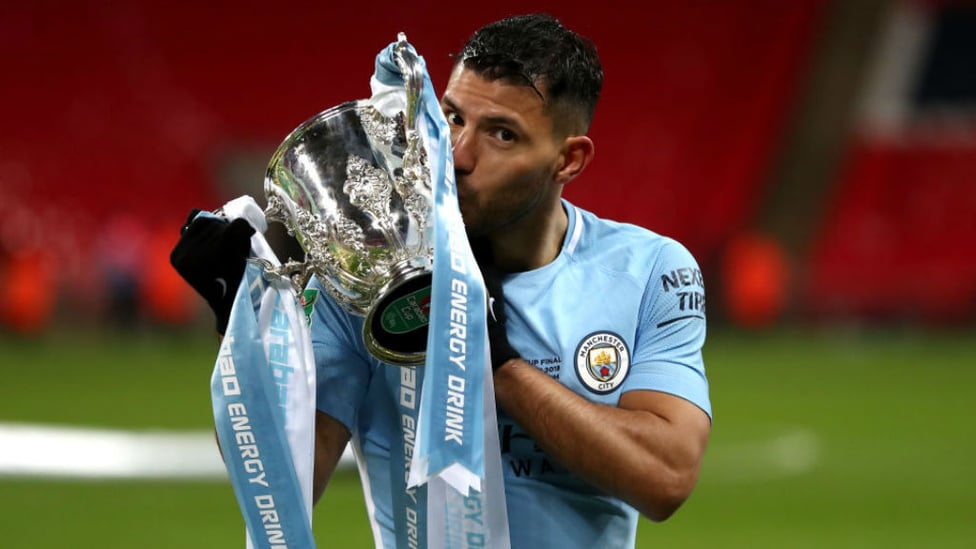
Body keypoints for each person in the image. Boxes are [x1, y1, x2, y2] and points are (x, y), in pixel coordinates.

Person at [171, 13, 711, 548]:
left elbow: (664, 478)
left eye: (502, 134)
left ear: (568, 160)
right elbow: (287, 483)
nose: (458, 156)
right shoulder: (371, 277)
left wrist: (491, 360)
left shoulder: (648, 270)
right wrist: (240, 329)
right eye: (452, 118)